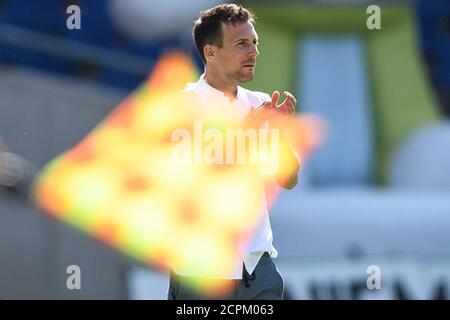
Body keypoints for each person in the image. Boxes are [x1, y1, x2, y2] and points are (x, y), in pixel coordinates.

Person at [167, 4, 300, 300]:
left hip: (257, 267)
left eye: (255, 43)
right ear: (210, 53)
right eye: (242, 44)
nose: (254, 52)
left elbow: (288, 180)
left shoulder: (260, 103)